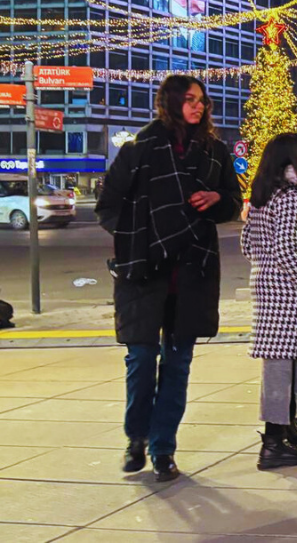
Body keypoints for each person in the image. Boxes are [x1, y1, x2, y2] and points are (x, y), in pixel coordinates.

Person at [95, 74, 241, 482]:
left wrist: (217, 200)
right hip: (143, 272)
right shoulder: (141, 147)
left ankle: (163, 449)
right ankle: (136, 437)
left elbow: (232, 200)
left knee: (177, 366)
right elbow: (108, 206)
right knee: (141, 359)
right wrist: (134, 240)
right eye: (191, 100)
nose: (200, 106)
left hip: (192, 271)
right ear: (171, 102)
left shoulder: (214, 151)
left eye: (203, 101)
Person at [242, 133, 297, 471]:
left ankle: (287, 431)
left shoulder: (263, 195)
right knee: (280, 366)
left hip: (266, 284)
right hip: (288, 290)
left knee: (285, 363)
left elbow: (249, 245)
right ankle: (274, 443)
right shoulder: (291, 197)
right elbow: (288, 250)